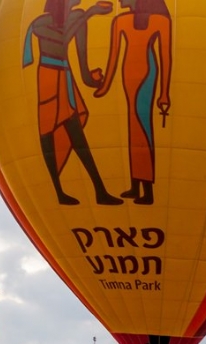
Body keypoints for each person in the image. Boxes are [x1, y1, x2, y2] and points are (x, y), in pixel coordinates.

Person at [23, 0, 123, 206]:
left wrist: (95, 80)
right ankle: (57, 191)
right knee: (47, 132)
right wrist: (88, 15)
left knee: (76, 131)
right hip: (48, 77)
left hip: (65, 76)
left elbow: (83, 69)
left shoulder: (78, 18)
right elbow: (61, 40)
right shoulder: (40, 23)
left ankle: (100, 190)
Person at [94, 0, 172, 205]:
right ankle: (136, 186)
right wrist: (105, 86)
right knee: (133, 129)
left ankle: (147, 190)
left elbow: (166, 57)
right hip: (128, 75)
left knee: (143, 128)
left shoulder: (160, 21)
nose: (120, 1)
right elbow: (113, 57)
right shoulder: (120, 21)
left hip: (146, 75)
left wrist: (164, 92)